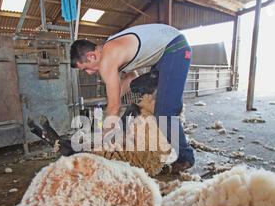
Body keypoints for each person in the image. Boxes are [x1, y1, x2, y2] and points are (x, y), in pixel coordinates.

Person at [70, 23, 195, 172]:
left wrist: (104, 138)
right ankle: (163, 139)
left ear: (91, 56)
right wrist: (112, 99)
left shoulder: (107, 60)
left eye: (86, 68)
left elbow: (114, 108)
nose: (89, 73)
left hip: (175, 49)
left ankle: (185, 158)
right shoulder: (112, 48)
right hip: (165, 53)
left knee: (164, 113)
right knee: (140, 92)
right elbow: (131, 78)